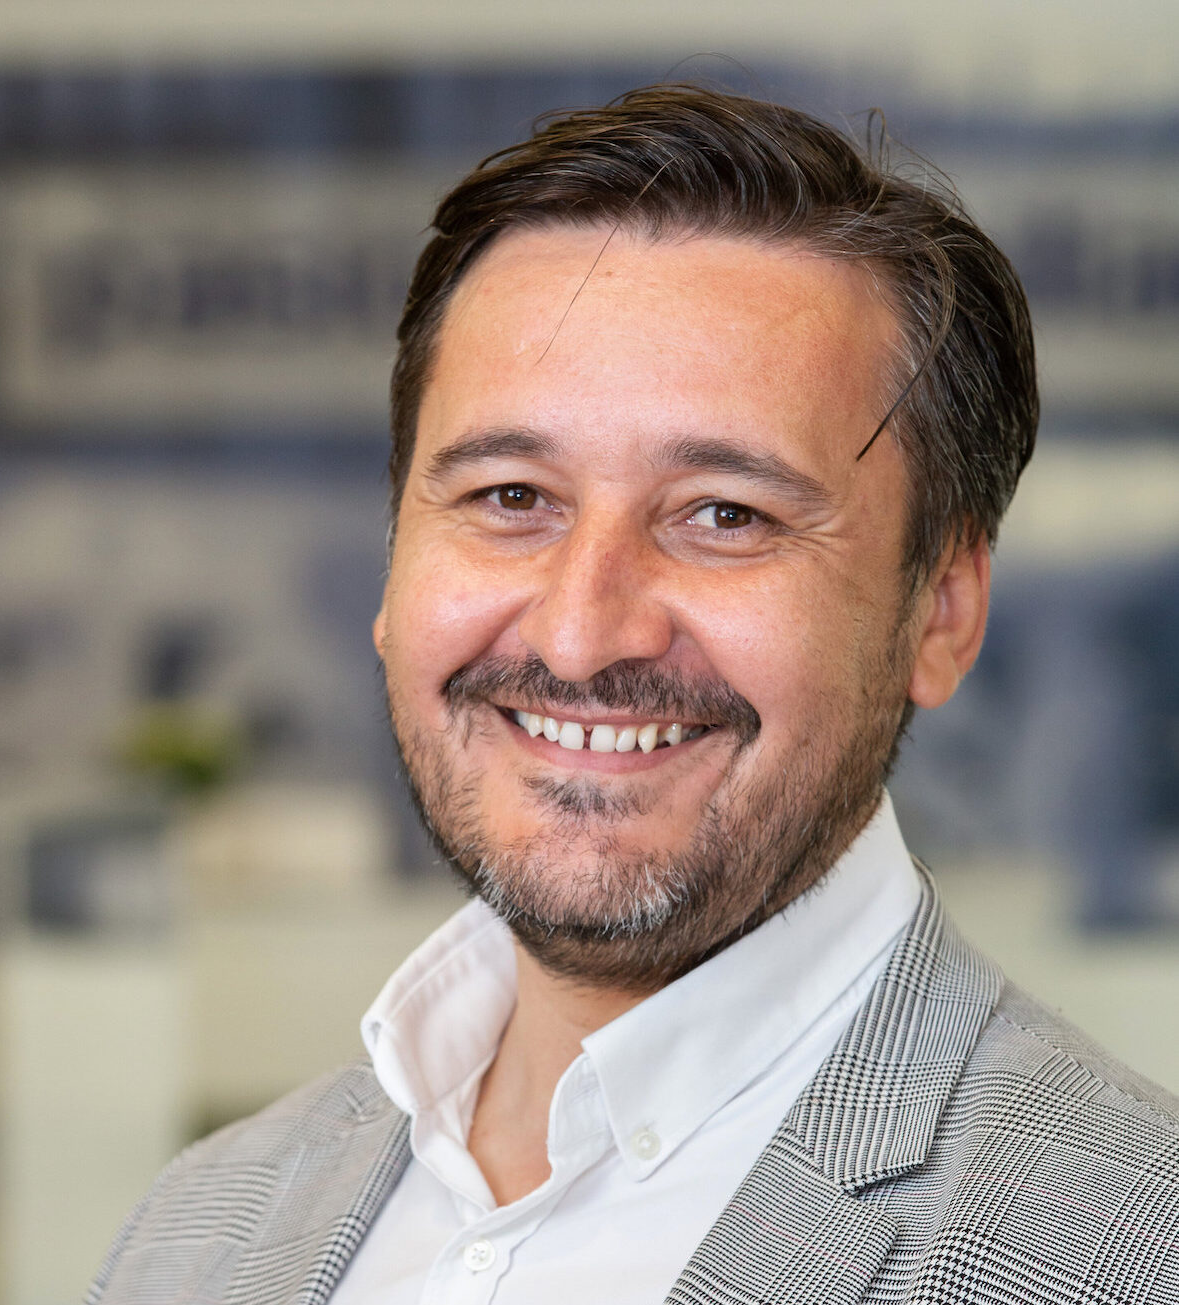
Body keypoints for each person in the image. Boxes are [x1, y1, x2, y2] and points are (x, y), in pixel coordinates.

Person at [87, 85, 1179, 1305]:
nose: (578, 634)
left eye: (724, 515)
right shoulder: (194, 1229)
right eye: (510, 497)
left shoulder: (1131, 1254)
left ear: (942, 611)